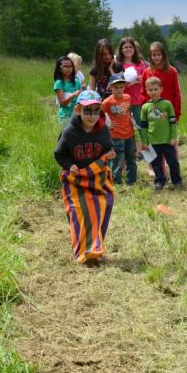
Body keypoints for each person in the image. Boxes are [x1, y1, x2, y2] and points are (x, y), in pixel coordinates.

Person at [54, 90, 116, 265]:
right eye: (88, 111)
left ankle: (95, 248)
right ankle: (83, 250)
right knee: (80, 210)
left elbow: (108, 148)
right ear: (78, 110)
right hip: (76, 180)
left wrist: (110, 153)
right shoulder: (69, 132)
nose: (92, 116)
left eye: (96, 111)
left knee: (105, 204)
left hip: (96, 177)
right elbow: (59, 154)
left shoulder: (103, 130)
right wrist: (68, 165)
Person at [140, 77, 182, 190]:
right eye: (150, 90)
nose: (153, 92)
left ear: (161, 89)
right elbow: (143, 127)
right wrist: (144, 142)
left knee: (173, 162)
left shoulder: (167, 104)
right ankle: (159, 181)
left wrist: (173, 137)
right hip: (153, 141)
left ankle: (177, 180)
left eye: (155, 89)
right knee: (156, 163)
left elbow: (173, 123)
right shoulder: (145, 107)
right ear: (146, 90)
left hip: (167, 140)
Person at [101, 73, 136, 186]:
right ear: (111, 87)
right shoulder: (107, 102)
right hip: (116, 135)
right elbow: (100, 113)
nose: (119, 90)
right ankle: (117, 183)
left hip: (129, 134)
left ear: (124, 87)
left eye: (121, 87)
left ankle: (132, 181)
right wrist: (106, 122)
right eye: (116, 87)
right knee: (117, 160)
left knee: (131, 158)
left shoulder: (128, 98)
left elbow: (128, 112)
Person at [116, 37, 147, 131]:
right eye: (125, 47)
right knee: (124, 126)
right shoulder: (117, 64)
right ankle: (129, 145)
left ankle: (145, 144)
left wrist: (142, 79)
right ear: (121, 49)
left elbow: (147, 82)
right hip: (121, 100)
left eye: (130, 47)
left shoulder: (140, 63)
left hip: (137, 100)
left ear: (134, 49)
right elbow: (113, 81)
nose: (128, 49)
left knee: (140, 125)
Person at [53, 55, 82, 125]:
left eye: (70, 66)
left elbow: (81, 99)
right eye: (65, 66)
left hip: (77, 115)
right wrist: (73, 95)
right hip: (65, 116)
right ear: (59, 68)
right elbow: (62, 103)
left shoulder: (77, 82)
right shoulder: (59, 83)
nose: (68, 69)